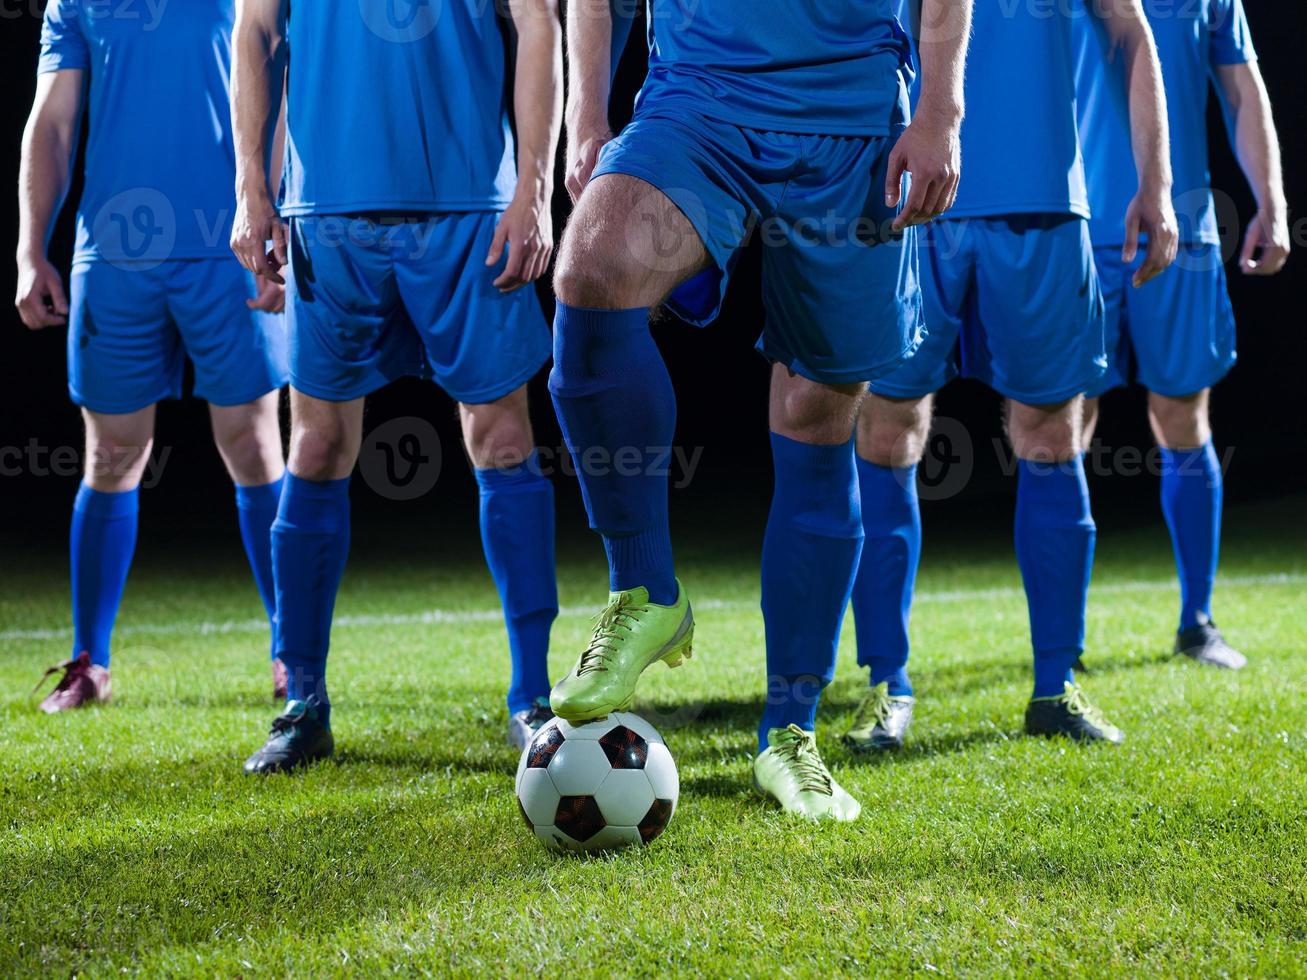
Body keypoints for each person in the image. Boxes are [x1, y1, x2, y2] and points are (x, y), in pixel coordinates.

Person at [549, 0, 972, 820]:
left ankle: (789, 734)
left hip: (851, 120)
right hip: (696, 101)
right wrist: (584, 116)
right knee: (592, 275)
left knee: (816, 414)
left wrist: (938, 111)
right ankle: (646, 593)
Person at [230, 0, 563, 772]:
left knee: (504, 438)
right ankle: (302, 703)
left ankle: (531, 698)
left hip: (472, 204)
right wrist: (252, 186)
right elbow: (254, 32)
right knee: (314, 448)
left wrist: (535, 189)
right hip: (328, 212)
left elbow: (538, 23)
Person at [844, 0, 1178, 751]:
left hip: (1044, 200)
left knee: (1051, 433)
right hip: (905, 193)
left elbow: (1130, 35)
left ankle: (1055, 684)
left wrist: (1153, 182)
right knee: (888, 426)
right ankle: (884, 684)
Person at [17, 0, 288, 713]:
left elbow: (281, 90)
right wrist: (28, 248)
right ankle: (90, 662)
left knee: (256, 447)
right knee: (110, 457)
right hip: (113, 251)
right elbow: (53, 121)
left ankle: (293, 653)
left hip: (229, 242)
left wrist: (276, 215)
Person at [1077, 0, 1289, 670]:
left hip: (1183, 227)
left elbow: (1240, 87)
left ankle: (1196, 620)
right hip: (1073, 223)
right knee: (1061, 420)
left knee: (1181, 413)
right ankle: (1060, 637)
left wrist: (1272, 203)